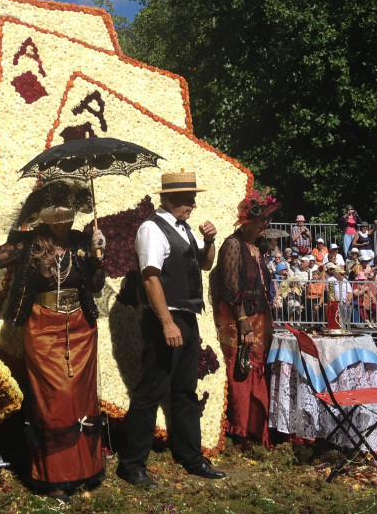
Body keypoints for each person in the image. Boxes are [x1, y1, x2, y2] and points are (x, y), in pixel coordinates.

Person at [0, 180, 106, 504]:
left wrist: (98, 257)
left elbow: (97, 286)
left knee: (79, 399)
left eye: (69, 214)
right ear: (46, 216)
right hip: (43, 330)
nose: (65, 221)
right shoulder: (29, 244)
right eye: (58, 215)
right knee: (55, 399)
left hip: (81, 329)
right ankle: (56, 479)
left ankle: (84, 467)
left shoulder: (83, 242)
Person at [118, 171, 223, 489]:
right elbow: (150, 278)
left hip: (187, 319)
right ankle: (132, 464)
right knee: (150, 392)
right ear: (169, 198)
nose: (192, 203)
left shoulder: (184, 228)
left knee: (185, 392)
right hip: (167, 320)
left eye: (193, 198)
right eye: (187, 198)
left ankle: (191, 457)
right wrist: (166, 323)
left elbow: (205, 265)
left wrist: (209, 242)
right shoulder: (152, 228)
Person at [210, 189, 279, 448]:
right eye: (262, 221)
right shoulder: (232, 244)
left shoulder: (256, 247)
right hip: (239, 319)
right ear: (248, 221)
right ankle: (240, 431)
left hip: (259, 319)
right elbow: (230, 289)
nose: (266, 226)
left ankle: (256, 428)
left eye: (267, 221)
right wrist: (243, 322)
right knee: (240, 369)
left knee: (258, 370)